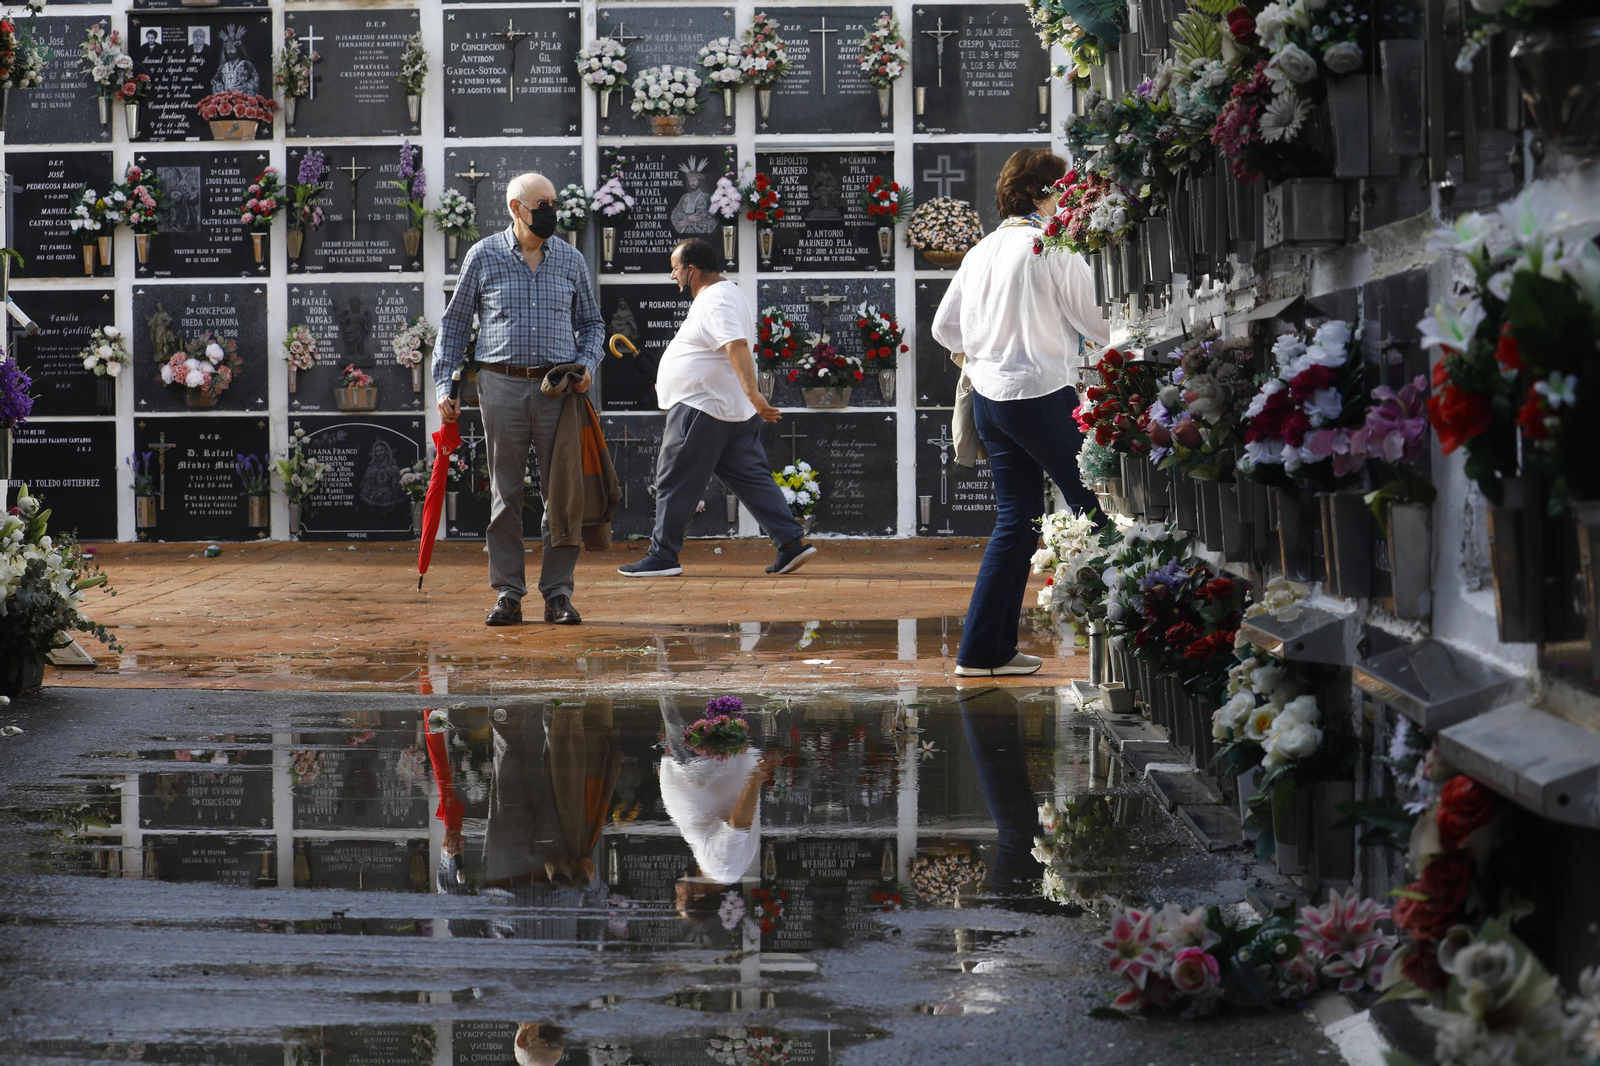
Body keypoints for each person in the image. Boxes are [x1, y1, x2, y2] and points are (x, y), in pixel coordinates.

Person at [932, 148, 1110, 677]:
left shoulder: (982, 249)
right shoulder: (1049, 244)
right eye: (1065, 187)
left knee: (1016, 522)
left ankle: (983, 651)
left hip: (991, 399)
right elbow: (1099, 322)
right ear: (1039, 192)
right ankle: (1128, 640)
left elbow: (945, 328)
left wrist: (989, 352)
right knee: (1097, 508)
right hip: (1039, 393)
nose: (1072, 198)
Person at [435, 172, 605, 626]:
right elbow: (454, 327)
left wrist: (587, 364)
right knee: (504, 494)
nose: (552, 210)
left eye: (554, 201)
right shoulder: (483, 255)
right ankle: (508, 593)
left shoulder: (569, 259)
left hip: (559, 389)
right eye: (542, 203)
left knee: (562, 495)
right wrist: (443, 386)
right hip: (501, 385)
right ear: (516, 208)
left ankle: (558, 594)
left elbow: (593, 325)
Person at [617, 237, 816, 578]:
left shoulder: (716, 299)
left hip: (703, 409)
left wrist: (755, 395)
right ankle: (791, 542)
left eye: (675, 268)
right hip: (727, 411)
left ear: (691, 269)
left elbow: (735, 344)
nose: (672, 275)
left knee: (674, 479)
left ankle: (662, 555)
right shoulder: (726, 292)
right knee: (751, 479)